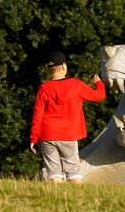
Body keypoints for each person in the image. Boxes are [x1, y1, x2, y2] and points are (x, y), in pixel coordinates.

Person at [30, 52, 106, 182]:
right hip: (68, 135)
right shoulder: (76, 85)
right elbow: (99, 96)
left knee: (53, 175)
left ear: (49, 69)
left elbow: (38, 115)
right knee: (73, 173)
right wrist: (98, 82)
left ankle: (56, 200)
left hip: (48, 135)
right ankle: (76, 199)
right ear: (64, 66)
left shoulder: (44, 88)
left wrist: (33, 138)